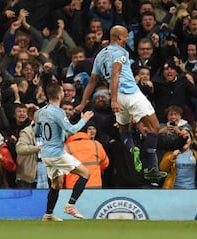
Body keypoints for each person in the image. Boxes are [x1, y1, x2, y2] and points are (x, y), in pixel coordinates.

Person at [75, 25, 168, 180]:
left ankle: (132, 150)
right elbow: (116, 74)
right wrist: (112, 101)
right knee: (155, 127)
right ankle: (150, 166)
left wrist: (83, 103)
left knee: (124, 129)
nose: (127, 38)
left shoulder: (100, 55)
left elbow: (92, 81)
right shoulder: (121, 53)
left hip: (117, 97)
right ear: (119, 38)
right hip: (130, 93)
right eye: (125, 36)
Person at [36, 82, 93, 221]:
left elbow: (37, 131)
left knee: (56, 184)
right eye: (62, 91)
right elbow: (72, 130)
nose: (64, 93)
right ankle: (70, 205)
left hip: (45, 154)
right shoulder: (58, 112)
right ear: (59, 94)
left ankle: (48, 214)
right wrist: (84, 120)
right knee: (85, 173)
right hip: (56, 154)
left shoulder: (41, 111)